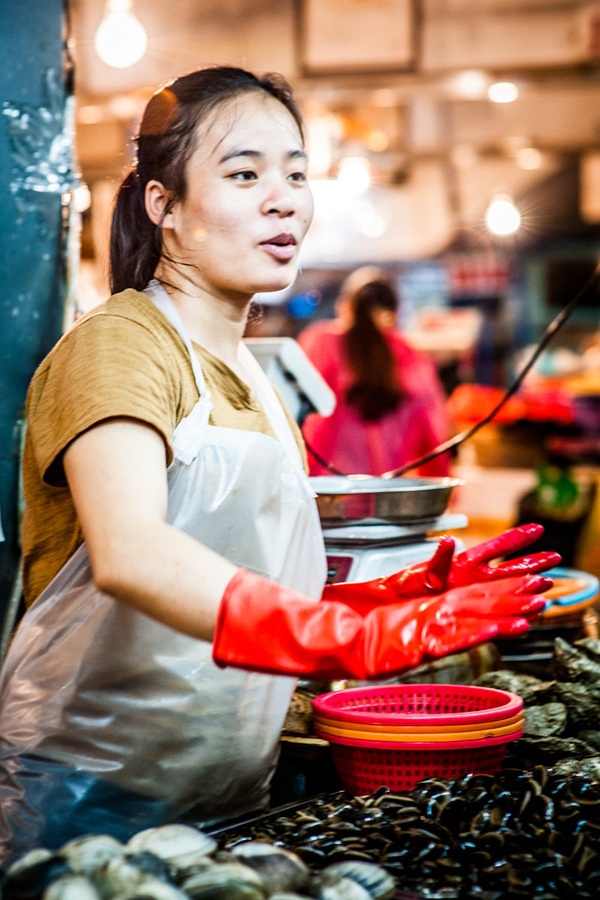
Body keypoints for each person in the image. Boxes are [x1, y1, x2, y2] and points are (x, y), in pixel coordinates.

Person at [0, 65, 560, 864]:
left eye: (297, 173)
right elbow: (131, 555)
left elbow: (252, 578)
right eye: (245, 173)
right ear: (165, 205)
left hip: (228, 799)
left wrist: (391, 596)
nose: (283, 197)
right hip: (87, 804)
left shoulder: (261, 385)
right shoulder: (120, 343)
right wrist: (347, 637)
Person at [298, 269, 451, 477]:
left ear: (345, 306)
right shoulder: (410, 355)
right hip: (387, 490)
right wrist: (439, 481)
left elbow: (307, 419)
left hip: (330, 489)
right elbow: (432, 431)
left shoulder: (321, 342)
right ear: (394, 312)